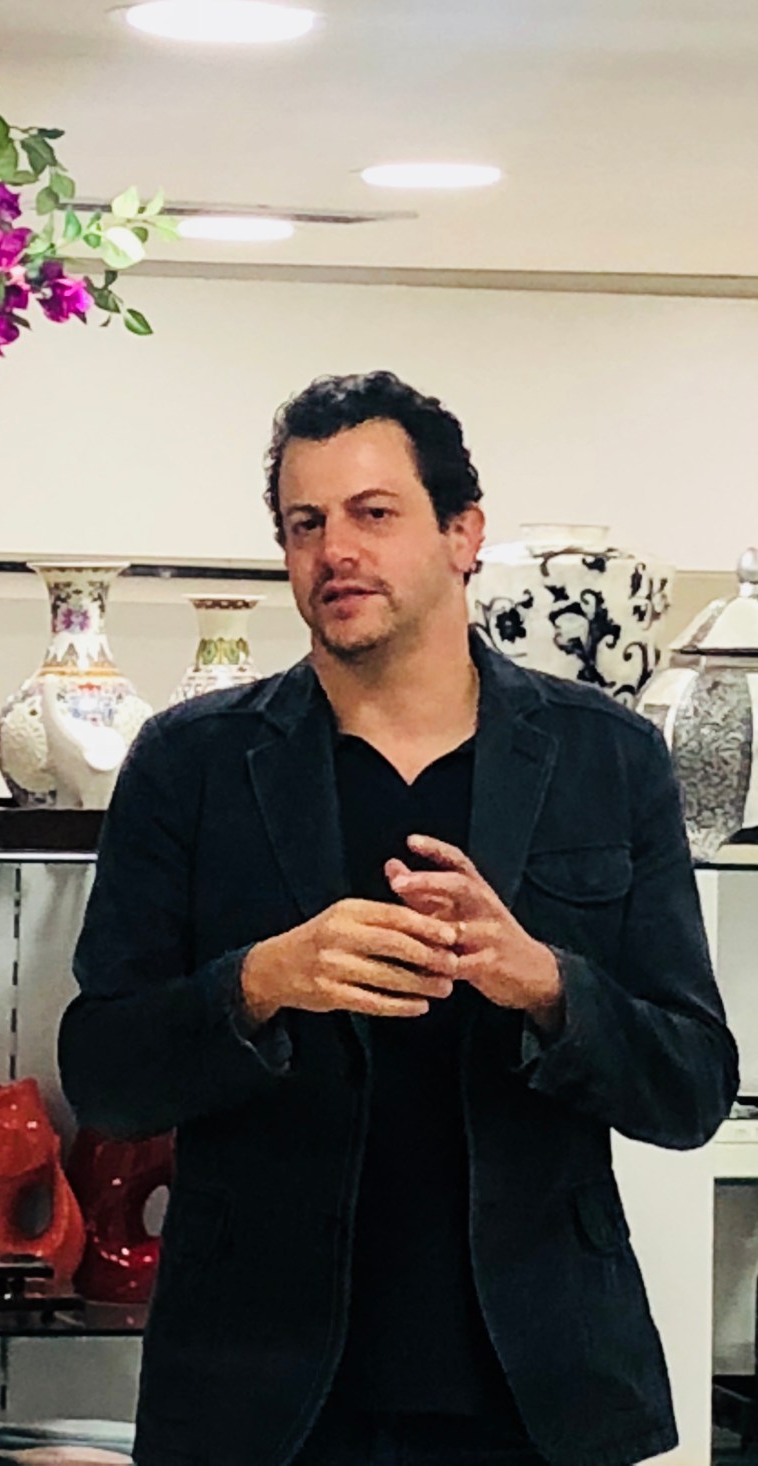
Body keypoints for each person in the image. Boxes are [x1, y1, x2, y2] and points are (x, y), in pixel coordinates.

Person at [57, 370, 738, 1466]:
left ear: (463, 533)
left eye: (373, 513)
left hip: (541, 1389)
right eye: (304, 523)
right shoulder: (191, 762)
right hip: (256, 1390)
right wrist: (260, 983)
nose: (335, 550)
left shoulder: (604, 758)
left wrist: (544, 983)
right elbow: (104, 1074)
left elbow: (691, 1086)